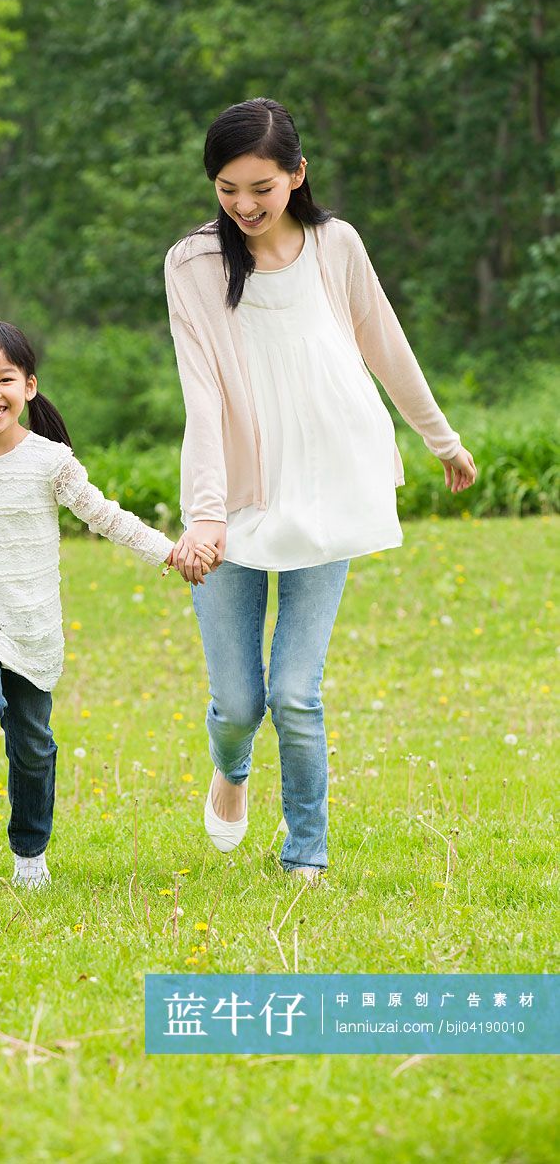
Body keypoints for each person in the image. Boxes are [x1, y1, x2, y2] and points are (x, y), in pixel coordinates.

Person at [164, 97, 477, 885]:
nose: (242, 205)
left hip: (330, 480)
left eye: (260, 187)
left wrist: (440, 438)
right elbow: (201, 393)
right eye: (226, 188)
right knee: (240, 701)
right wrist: (204, 512)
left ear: (296, 175)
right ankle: (229, 768)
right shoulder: (192, 263)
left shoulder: (335, 245)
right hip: (234, 494)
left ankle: (305, 850)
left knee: (296, 693)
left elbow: (385, 344)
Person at [0, 320, 214, 889]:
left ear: (28, 386)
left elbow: (104, 516)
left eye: (4, 378)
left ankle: (30, 852)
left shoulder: (50, 461)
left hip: (31, 623)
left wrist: (170, 552)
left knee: (33, 746)